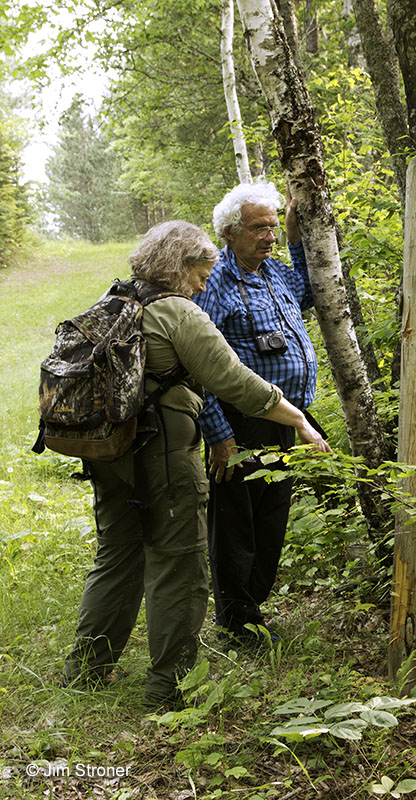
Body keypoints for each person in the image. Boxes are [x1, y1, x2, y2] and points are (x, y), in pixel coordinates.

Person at [62, 220, 330, 708]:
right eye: (202, 273)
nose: (206, 283)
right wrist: (301, 422)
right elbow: (238, 384)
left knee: (117, 555)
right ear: (180, 267)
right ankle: (170, 689)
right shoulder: (179, 313)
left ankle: (84, 672)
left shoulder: (115, 301)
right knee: (180, 563)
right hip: (163, 454)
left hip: (108, 450)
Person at [195, 181, 321, 644]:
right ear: (230, 232)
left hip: (285, 420)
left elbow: (309, 289)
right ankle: (235, 620)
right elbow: (200, 365)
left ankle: (252, 608)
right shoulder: (216, 283)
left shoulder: (275, 272)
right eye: (259, 229)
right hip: (240, 423)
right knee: (235, 526)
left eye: (272, 228)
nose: (269, 237)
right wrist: (219, 435)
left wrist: (297, 234)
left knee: (271, 520)